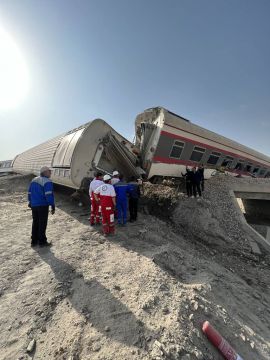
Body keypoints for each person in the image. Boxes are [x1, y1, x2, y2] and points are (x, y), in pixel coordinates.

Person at [28, 166, 55, 247]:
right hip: (42, 205)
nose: (50, 173)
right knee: (42, 223)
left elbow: (29, 193)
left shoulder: (34, 180)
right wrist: (52, 205)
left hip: (34, 205)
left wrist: (30, 202)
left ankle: (34, 241)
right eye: (49, 171)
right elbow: (48, 195)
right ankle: (42, 241)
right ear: (45, 172)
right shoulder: (47, 181)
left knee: (35, 222)